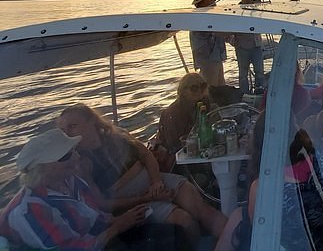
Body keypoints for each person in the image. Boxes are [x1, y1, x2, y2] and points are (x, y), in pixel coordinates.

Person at [57, 103, 227, 244]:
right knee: (184, 221)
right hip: (128, 199)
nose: (67, 133)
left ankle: (236, 240)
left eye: (72, 126)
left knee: (197, 205)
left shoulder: (117, 136)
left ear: (92, 121)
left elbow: (146, 155)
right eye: (63, 129)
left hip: (153, 179)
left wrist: (156, 182)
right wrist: (148, 198)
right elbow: (102, 203)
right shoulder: (79, 162)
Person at [0, 129, 187, 250]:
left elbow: (94, 215)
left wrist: (124, 218)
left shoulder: (71, 180)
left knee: (176, 234)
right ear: (42, 168)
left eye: (73, 151)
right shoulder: (29, 210)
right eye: (65, 156)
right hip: (93, 245)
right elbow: (74, 248)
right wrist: (119, 226)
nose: (76, 157)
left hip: (102, 238)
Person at [214, 112, 323, 251]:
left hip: (289, 245)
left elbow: (256, 229)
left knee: (236, 218)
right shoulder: (320, 159)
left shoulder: (262, 187)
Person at [153, 72, 213, 171]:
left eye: (203, 86)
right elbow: (173, 145)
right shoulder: (173, 113)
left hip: (201, 148)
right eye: (194, 88)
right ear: (183, 91)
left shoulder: (204, 102)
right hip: (179, 157)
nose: (199, 91)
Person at [230, 0, 265, 94]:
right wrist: (232, 41)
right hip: (242, 46)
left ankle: (259, 93)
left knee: (259, 72)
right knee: (243, 75)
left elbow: (272, 7)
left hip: (256, 45)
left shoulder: (258, 7)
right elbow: (228, 28)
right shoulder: (235, 10)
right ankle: (244, 95)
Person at [190, 0, 227, 86]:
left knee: (220, 86)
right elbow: (214, 33)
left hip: (216, 58)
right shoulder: (199, 17)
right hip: (208, 60)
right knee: (211, 88)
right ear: (205, 0)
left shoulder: (210, 14)